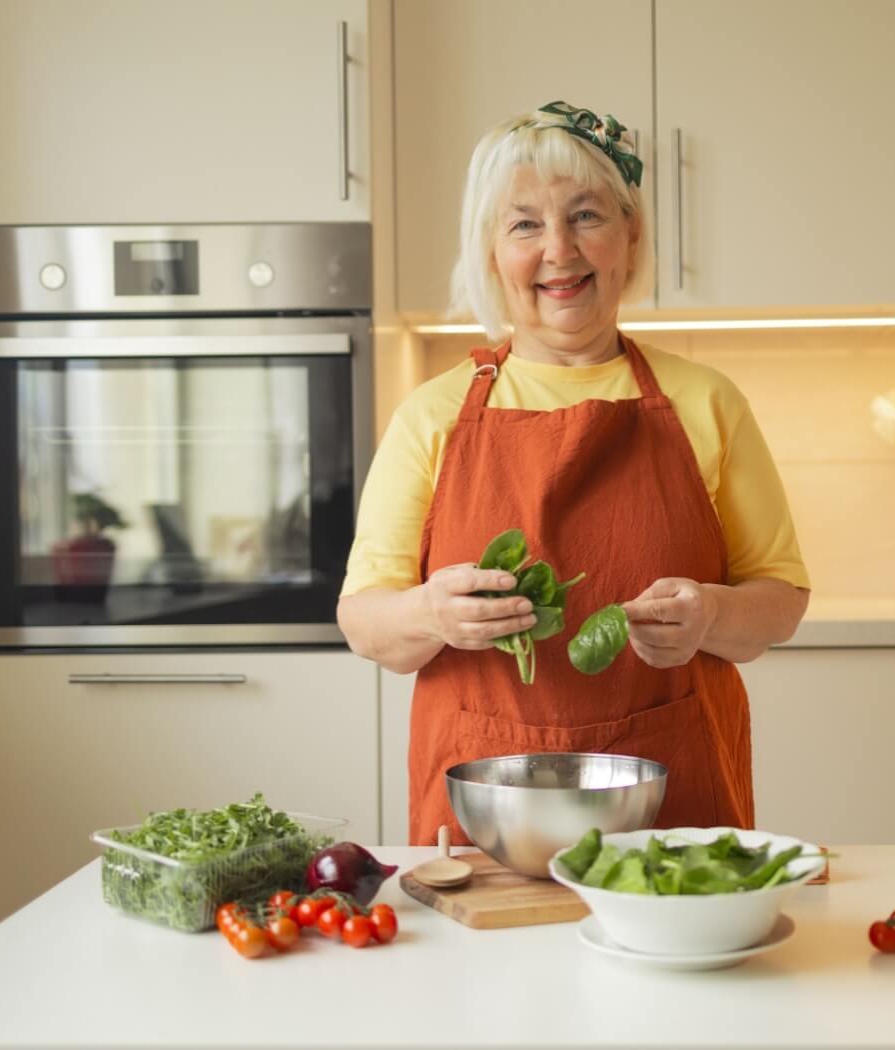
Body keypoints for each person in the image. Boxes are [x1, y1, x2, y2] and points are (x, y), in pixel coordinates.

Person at [337, 101, 810, 845]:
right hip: (483, 803)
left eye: (586, 215)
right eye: (524, 224)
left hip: (672, 800)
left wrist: (712, 616)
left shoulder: (707, 403)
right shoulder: (431, 416)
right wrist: (433, 614)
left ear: (631, 235)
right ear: (491, 252)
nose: (559, 250)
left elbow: (779, 602)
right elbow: (364, 622)